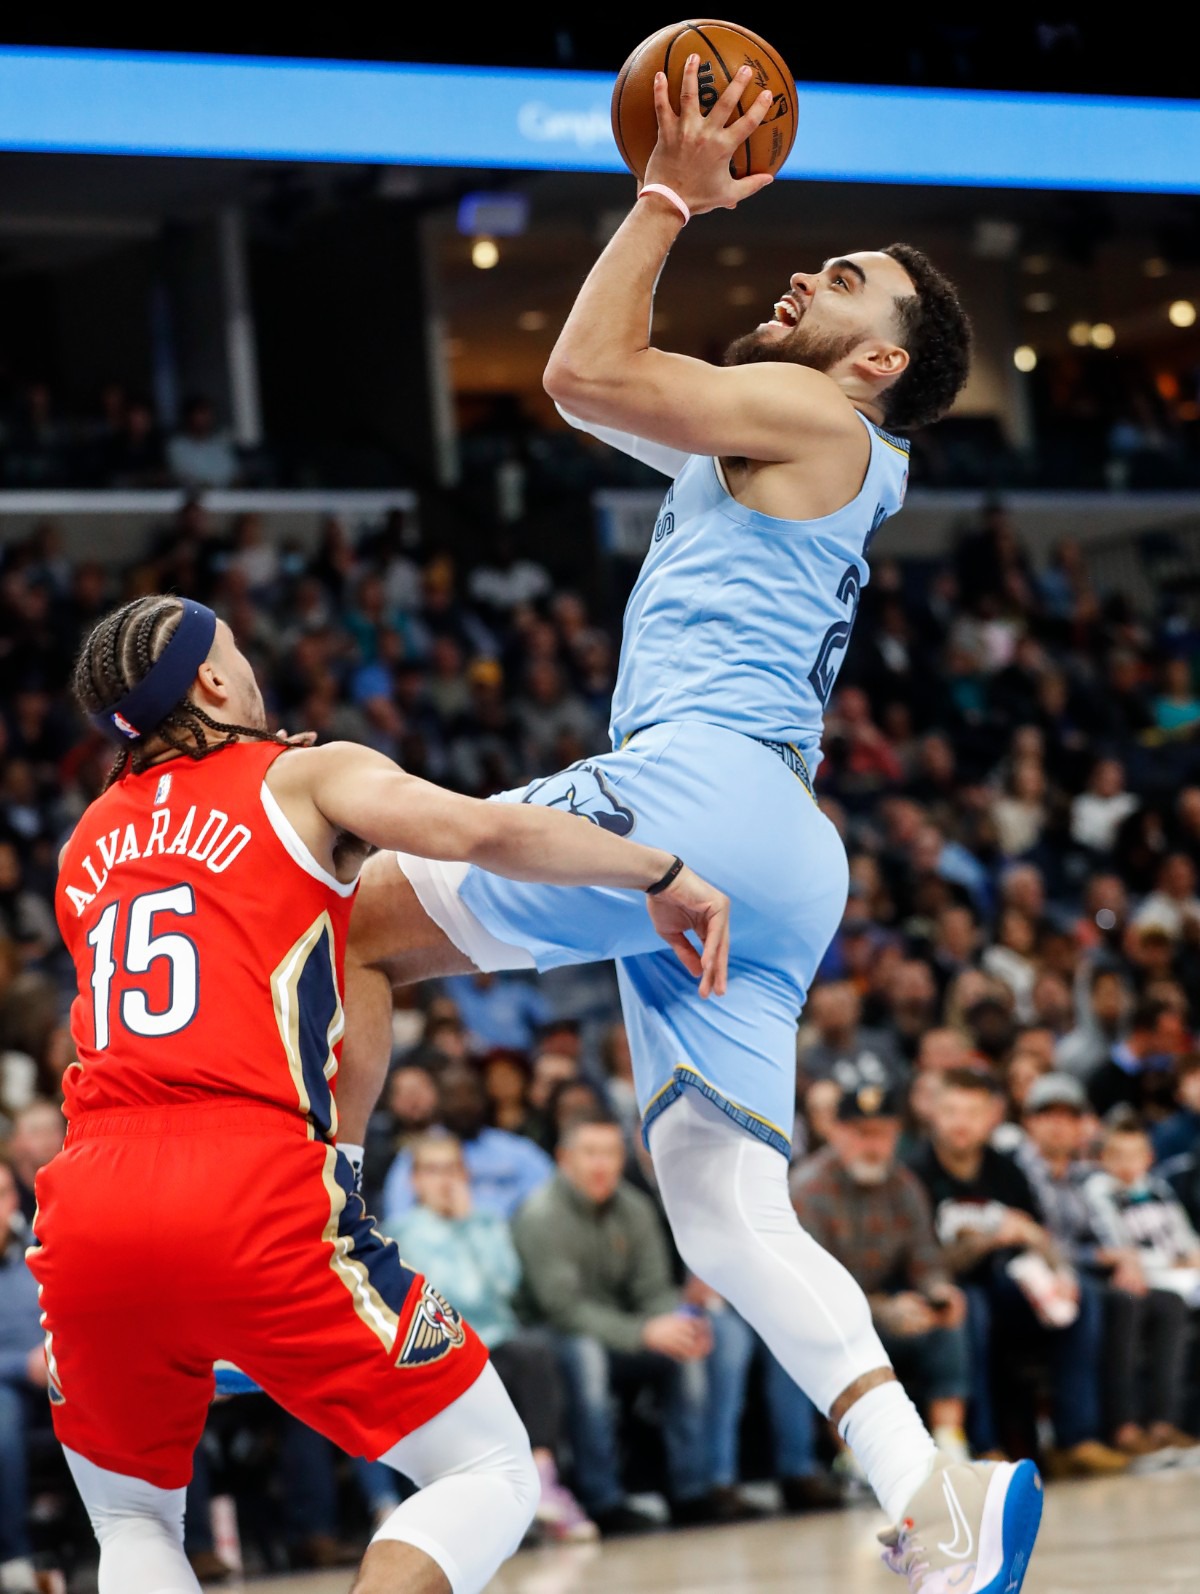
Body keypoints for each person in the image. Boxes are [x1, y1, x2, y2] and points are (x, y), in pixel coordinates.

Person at [337, 60, 1040, 1594]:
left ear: (876, 364)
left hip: (695, 789)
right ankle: (928, 1493)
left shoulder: (801, 408)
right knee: (726, 1214)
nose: (803, 272)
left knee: (350, 926)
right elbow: (612, 394)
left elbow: (581, 374)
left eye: (842, 281)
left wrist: (668, 194)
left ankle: (311, 1227)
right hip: (783, 841)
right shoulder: (794, 446)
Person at [32, 593, 729, 1594]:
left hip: (90, 1195)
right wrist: (655, 870)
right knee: (489, 1466)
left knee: (135, 1516)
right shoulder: (309, 774)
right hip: (243, 1181)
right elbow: (477, 833)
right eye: (238, 647)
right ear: (215, 682)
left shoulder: (83, 842)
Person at [908, 1068, 1126, 1479]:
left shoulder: (1006, 1169)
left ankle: (1077, 1437)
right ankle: (984, 1445)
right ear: (933, 1114)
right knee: (971, 1308)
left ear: (992, 1117)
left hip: (1008, 1287)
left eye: (973, 1112)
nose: (961, 1122)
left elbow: (1040, 1237)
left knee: (1082, 1294)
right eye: (951, 1111)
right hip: (948, 1292)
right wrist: (987, 1239)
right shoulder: (916, 1172)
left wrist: (1051, 1260)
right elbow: (924, 1264)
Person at [511, 1110, 717, 1535]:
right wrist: (643, 1331)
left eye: (610, 1153)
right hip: (555, 1337)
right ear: (564, 1158)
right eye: (590, 1153)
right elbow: (562, 1310)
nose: (601, 1164)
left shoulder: (636, 1209)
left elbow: (655, 1289)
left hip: (624, 1330)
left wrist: (674, 1321)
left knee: (689, 1345)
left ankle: (692, 1491)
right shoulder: (540, 1215)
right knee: (586, 1357)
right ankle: (602, 1498)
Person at [384, 1133, 596, 1543]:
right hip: (445, 1344)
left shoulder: (487, 1221)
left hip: (497, 1337)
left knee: (537, 1355)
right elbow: (443, 1295)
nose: (444, 1180)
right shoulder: (402, 1232)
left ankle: (543, 1477)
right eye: (433, 1170)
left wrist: (469, 1226)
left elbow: (504, 1284)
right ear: (415, 1181)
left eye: (452, 1169)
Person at [791, 1081, 971, 1461]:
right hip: (828, 1314)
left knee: (949, 1321)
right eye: (861, 1134)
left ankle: (949, 1444)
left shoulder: (903, 1185)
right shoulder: (809, 1190)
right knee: (833, 1333)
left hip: (890, 1309)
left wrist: (938, 1294)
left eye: (883, 1134)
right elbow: (815, 1288)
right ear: (836, 1132)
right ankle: (853, 1458)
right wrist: (883, 1310)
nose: (873, 1146)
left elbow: (926, 1259)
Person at [0, 1155, 49, 1594]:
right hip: (7, 1384)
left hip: (60, 1369)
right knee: (2, 1416)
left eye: (2, 1194)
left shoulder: (43, 1241)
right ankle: (13, 1556)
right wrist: (22, 1365)